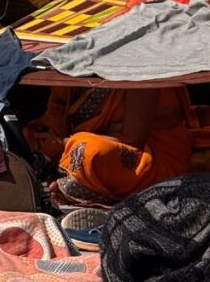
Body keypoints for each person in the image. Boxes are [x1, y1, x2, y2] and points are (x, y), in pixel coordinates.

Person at [25, 87, 192, 205]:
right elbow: (56, 117)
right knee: (26, 135)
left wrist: (64, 143)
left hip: (148, 160)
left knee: (89, 152)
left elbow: (132, 139)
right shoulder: (70, 67)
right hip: (90, 143)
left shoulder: (140, 72)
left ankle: (71, 182)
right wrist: (47, 138)